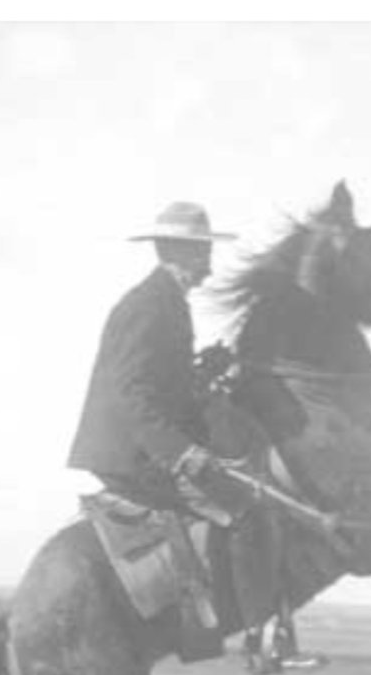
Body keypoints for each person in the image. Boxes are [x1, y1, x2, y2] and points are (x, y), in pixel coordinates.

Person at [67, 201, 251, 527]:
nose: (208, 268)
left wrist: (204, 369)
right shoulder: (146, 306)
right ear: (176, 252)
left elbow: (161, 385)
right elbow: (130, 394)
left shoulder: (166, 301)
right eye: (203, 254)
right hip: (129, 454)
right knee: (240, 509)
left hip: (140, 448)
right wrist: (181, 453)